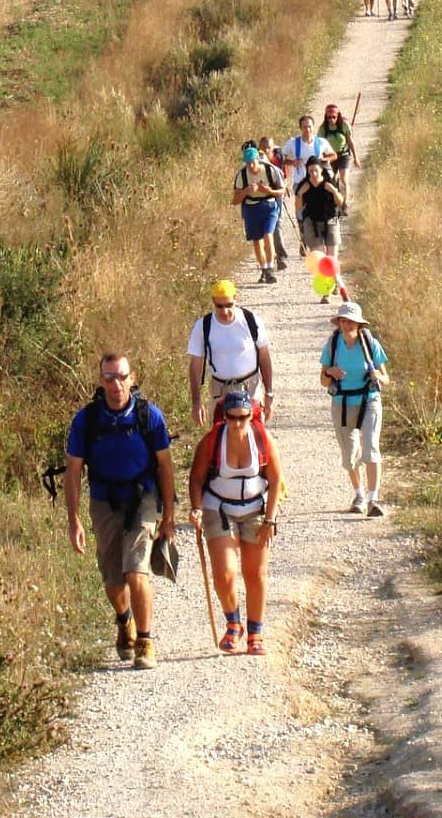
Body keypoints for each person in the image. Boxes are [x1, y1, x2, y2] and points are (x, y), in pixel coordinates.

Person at [65, 352, 176, 671]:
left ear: (133, 377)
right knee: (113, 578)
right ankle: (124, 620)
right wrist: (73, 521)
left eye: (121, 377)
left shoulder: (149, 416)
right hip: (104, 501)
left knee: (135, 570)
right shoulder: (86, 420)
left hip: (141, 498)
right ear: (101, 381)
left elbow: (165, 468)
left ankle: (145, 639)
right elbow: (72, 473)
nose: (116, 385)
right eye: (109, 378)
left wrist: (168, 518)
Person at [189, 389, 283, 656]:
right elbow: (196, 479)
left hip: (256, 509)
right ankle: (233, 623)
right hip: (218, 508)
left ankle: (255, 632)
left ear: (251, 415)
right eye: (232, 418)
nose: (238, 423)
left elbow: (276, 480)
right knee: (225, 573)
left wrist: (270, 520)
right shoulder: (211, 441)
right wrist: (196, 508)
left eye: (243, 417)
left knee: (256, 573)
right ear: (225, 417)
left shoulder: (263, 439)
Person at [319, 302, 389, 517]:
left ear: (359, 324)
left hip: (369, 400)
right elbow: (323, 380)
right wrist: (330, 371)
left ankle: (373, 499)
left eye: (350, 321)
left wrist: (378, 376)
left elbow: (386, 379)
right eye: (343, 320)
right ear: (339, 323)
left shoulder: (370, 344)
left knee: (370, 448)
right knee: (349, 455)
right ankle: (359, 494)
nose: (346, 324)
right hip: (342, 402)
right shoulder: (332, 345)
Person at [187, 279, 274, 427]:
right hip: (220, 391)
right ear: (213, 301)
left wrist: (269, 394)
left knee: (256, 434)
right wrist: (196, 402)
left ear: (236, 298)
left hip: (250, 388)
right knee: (219, 437)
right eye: (219, 306)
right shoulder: (203, 326)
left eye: (229, 305)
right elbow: (195, 366)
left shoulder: (251, 321)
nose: (225, 311)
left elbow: (264, 358)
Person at [233, 145, 285, 285]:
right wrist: (246, 191)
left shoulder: (269, 170)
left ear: (258, 159)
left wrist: (268, 191)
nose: (251, 165)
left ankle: (270, 268)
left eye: (253, 162)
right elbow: (235, 200)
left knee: (268, 235)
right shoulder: (242, 175)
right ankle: (264, 269)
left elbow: (282, 190)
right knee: (257, 242)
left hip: (269, 206)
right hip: (251, 208)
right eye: (248, 162)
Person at [295, 157, 343, 300]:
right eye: (310, 171)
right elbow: (298, 208)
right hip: (312, 222)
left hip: (331, 220)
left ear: (321, 170)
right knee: (320, 260)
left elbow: (340, 202)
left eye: (315, 170)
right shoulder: (304, 185)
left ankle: (333, 282)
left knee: (331, 257)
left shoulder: (329, 182)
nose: (313, 174)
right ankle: (325, 292)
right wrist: (300, 194)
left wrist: (334, 191)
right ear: (307, 171)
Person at [283, 115, 336, 223]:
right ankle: (303, 233)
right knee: (301, 211)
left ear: (313, 127)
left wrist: (324, 159)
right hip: (300, 181)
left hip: (318, 182)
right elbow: (281, 159)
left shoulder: (321, 142)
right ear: (300, 128)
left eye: (310, 127)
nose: (307, 129)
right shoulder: (292, 143)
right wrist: (292, 162)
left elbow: (334, 155)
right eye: (304, 127)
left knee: (319, 209)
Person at [318, 103, 360, 213]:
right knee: (331, 180)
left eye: (334, 117)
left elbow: (350, 142)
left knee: (344, 179)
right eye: (329, 117)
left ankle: (344, 204)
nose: (331, 119)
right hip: (330, 156)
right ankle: (335, 202)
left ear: (338, 116)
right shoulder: (323, 129)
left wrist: (356, 157)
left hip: (344, 155)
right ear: (325, 116)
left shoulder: (344, 126)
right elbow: (319, 145)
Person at [258, 135, 289, 271]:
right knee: (264, 228)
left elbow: (285, 177)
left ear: (273, 147)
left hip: (276, 195)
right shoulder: (257, 160)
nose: (266, 150)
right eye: (263, 147)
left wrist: (283, 189)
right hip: (260, 198)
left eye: (268, 147)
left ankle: (280, 257)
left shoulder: (278, 159)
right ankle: (270, 257)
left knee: (276, 224)